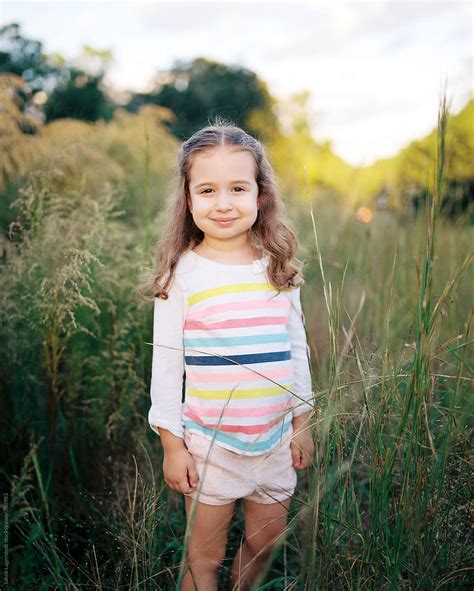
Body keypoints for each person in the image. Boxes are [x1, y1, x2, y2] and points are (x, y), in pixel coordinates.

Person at [141, 119, 315, 591]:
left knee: (265, 543)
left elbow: (296, 349)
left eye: (238, 188)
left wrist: (303, 422)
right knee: (205, 557)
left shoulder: (277, 268)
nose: (223, 204)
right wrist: (172, 445)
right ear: (188, 199)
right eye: (208, 190)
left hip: (276, 442)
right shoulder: (181, 276)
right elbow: (165, 366)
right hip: (209, 448)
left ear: (260, 195)